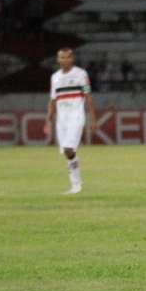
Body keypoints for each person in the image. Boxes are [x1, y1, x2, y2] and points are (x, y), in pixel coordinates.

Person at [42, 48, 97, 195]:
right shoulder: (55, 77)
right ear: (58, 59)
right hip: (62, 119)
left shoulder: (81, 74)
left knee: (68, 149)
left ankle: (76, 186)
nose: (65, 60)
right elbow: (53, 100)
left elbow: (88, 96)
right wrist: (48, 121)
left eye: (67, 57)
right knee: (68, 152)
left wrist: (92, 118)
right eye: (62, 57)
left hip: (76, 117)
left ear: (72, 59)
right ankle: (76, 184)